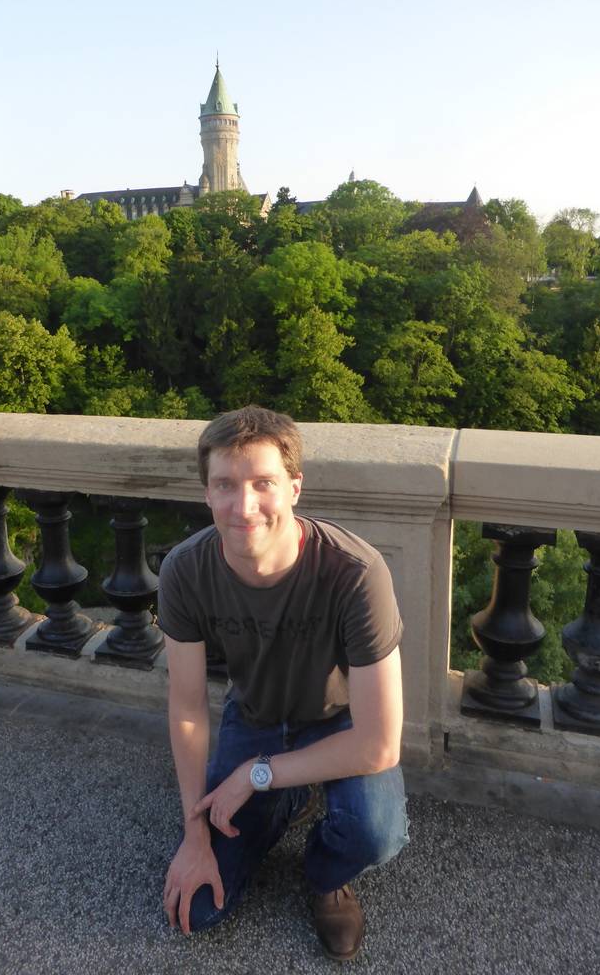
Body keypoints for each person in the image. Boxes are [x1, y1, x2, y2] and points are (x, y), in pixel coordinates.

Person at [157, 406, 408, 962]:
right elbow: (188, 708)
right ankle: (289, 791)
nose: (243, 506)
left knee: (375, 833)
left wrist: (255, 774)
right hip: (257, 716)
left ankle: (324, 875)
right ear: (206, 494)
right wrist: (193, 834)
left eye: (262, 483)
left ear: (294, 487)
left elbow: (379, 743)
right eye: (225, 485)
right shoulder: (185, 571)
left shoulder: (356, 574)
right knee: (199, 912)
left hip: (340, 721)